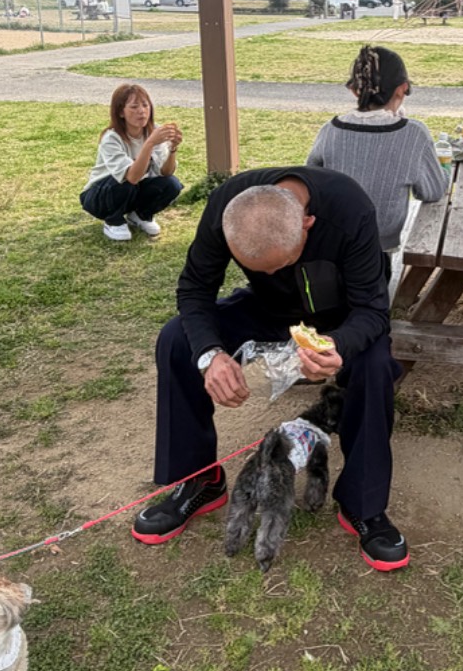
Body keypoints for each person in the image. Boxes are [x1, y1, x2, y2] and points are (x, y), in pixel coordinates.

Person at [137, 168, 408, 571]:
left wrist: (338, 345)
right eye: (258, 268)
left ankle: (363, 504)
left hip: (342, 315)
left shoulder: (350, 208)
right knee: (178, 340)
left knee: (375, 363)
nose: (270, 274)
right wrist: (211, 355)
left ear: (307, 223)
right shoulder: (227, 207)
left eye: (280, 264)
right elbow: (195, 288)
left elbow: (372, 309)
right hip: (268, 309)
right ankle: (200, 480)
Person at [305, 45, 447, 291]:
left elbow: (310, 181)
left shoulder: (330, 130)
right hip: (378, 248)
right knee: (370, 305)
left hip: (329, 248)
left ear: (354, 89)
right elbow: (432, 192)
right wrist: (445, 168)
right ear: (402, 88)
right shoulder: (413, 133)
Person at [80, 82, 183, 243]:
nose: (141, 111)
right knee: (126, 183)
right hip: (102, 194)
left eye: (145, 105)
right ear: (121, 112)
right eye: (134, 107)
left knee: (171, 184)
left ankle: (140, 215)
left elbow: (166, 173)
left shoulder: (153, 131)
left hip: (132, 189)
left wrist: (173, 148)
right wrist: (149, 143)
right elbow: (132, 177)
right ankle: (113, 220)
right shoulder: (112, 138)